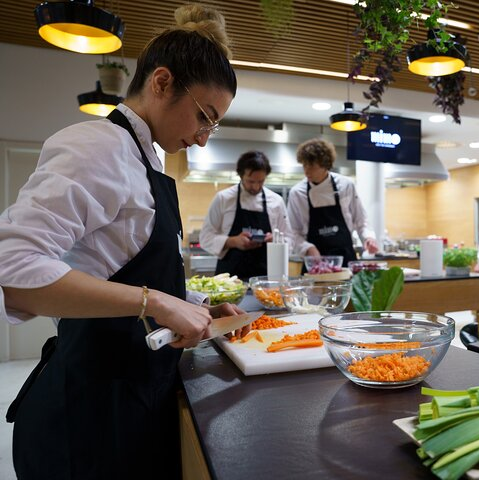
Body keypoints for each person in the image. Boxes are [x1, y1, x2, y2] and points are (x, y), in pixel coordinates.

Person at [0, 5, 238, 478]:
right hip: (86, 417)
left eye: (214, 125)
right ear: (163, 82)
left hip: (132, 401)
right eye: (204, 117)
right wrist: (156, 302)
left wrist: (194, 305)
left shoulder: (146, 159)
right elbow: (14, 272)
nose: (204, 138)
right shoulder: (99, 146)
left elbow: (119, 265)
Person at [200, 150, 293, 280]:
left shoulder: (276, 201)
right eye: (250, 181)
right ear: (240, 175)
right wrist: (232, 241)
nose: (255, 187)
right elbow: (205, 238)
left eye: (261, 181)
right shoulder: (224, 198)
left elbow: (289, 240)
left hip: (266, 279)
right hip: (230, 280)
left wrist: (275, 241)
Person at [287, 138, 378, 266]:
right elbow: (293, 232)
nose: (306, 171)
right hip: (315, 263)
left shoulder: (346, 185)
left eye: (312, 166)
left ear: (325, 165)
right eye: (304, 165)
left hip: (346, 260)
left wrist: (368, 238)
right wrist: (307, 248)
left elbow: (361, 221)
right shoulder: (297, 193)